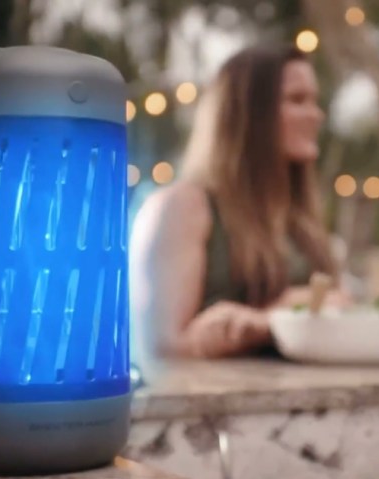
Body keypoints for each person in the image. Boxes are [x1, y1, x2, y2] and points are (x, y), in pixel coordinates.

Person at [130, 45, 346, 361]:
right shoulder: (183, 206)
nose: (316, 115)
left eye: (315, 101)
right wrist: (278, 317)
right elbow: (161, 350)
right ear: (248, 113)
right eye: (297, 100)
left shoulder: (299, 219)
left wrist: (271, 318)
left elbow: (341, 302)